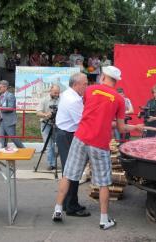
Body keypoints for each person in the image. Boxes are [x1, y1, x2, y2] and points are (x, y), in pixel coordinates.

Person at [52, 66, 143, 230]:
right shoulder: (119, 99)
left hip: (80, 137)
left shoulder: (90, 90)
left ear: (103, 77)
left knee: (68, 174)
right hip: (99, 143)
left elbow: (90, 112)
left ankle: (58, 209)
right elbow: (121, 129)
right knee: (103, 183)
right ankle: (104, 219)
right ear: (115, 81)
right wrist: (135, 128)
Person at [55, 72, 90, 217]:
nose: (87, 86)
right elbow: (82, 122)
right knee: (72, 170)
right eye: (85, 84)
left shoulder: (69, 94)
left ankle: (66, 203)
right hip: (68, 135)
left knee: (69, 170)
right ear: (76, 85)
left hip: (65, 133)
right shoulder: (73, 100)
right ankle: (71, 206)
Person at [36, 85, 60, 170]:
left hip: (57, 124)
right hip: (46, 123)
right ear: (50, 91)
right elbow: (38, 112)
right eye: (55, 93)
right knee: (49, 145)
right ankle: (52, 164)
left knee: (58, 144)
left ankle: (56, 158)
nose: (57, 94)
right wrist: (46, 114)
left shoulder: (61, 100)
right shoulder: (44, 100)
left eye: (58, 92)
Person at [0, 80, 24, 148]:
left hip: (9, 121)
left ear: (5, 87)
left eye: (0, 87)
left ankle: (23, 149)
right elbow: (0, 108)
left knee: (13, 137)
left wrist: (0, 107)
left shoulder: (10, 96)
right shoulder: (0, 97)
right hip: (1, 120)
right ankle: (0, 155)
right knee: (1, 139)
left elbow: (11, 108)